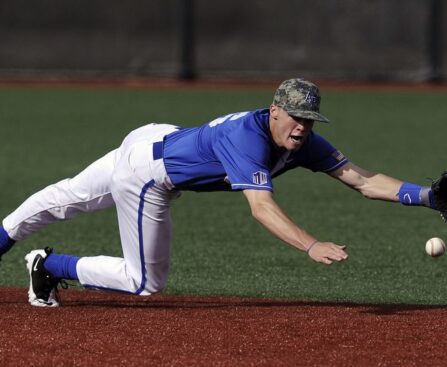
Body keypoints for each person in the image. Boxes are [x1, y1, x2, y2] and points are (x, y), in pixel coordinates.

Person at [0, 78, 440, 307]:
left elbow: (361, 180)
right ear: (273, 112)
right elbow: (261, 208)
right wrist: (310, 244)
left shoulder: (300, 142)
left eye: (309, 120)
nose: (302, 126)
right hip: (149, 176)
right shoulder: (249, 140)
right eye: (294, 117)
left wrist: (427, 196)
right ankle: (49, 265)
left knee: (63, 197)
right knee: (144, 282)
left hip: (154, 139)